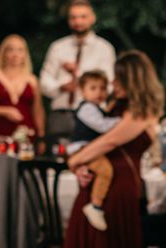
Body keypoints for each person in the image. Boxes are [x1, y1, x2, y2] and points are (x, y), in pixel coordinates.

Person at [59, 50, 164, 248]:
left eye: (119, 77)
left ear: (132, 78)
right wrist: (83, 163)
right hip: (102, 180)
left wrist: (74, 161)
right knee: (94, 244)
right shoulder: (116, 104)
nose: (113, 82)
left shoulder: (143, 110)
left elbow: (111, 140)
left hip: (120, 185)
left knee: (111, 247)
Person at [39, 0, 116, 143]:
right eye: (73, 17)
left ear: (92, 18)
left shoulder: (104, 48)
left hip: (93, 114)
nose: (78, 21)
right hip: (61, 114)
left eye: (82, 17)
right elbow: (44, 82)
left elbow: (109, 85)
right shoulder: (57, 47)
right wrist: (61, 87)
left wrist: (78, 74)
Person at [67, 70, 122, 231]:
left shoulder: (97, 108)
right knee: (105, 170)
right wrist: (123, 121)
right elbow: (102, 125)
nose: (99, 92)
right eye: (93, 88)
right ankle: (95, 205)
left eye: (103, 88)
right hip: (83, 148)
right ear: (83, 91)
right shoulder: (87, 109)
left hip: (88, 148)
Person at [0, 34, 45, 150]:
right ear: (3, 53)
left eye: (20, 50)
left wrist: (41, 136)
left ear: (25, 54)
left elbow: (38, 110)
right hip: (0, 132)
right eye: (11, 49)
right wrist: (4, 111)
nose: (15, 54)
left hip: (27, 133)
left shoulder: (32, 80)